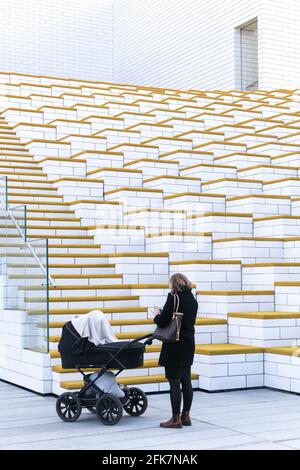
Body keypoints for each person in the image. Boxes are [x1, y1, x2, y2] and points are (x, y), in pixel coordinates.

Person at [152, 273, 198, 429]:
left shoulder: (173, 298)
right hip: (188, 344)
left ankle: (175, 419)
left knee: (174, 382)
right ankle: (186, 416)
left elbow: (163, 320)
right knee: (186, 380)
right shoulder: (193, 299)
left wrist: (157, 315)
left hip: (174, 345)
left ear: (175, 284)